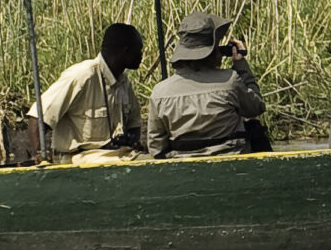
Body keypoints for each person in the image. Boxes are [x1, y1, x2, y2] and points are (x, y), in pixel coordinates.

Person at [147, 11, 269, 157]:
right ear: (213, 50)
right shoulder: (230, 81)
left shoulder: (160, 92)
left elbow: (156, 147)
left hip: (183, 171)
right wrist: (240, 64)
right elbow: (256, 107)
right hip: (234, 167)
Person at [26, 22, 145, 160]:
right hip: (80, 157)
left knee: (152, 161)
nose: (141, 55)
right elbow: (37, 116)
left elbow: (134, 123)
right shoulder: (82, 76)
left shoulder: (123, 82)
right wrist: (40, 153)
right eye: (139, 49)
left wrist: (133, 141)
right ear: (126, 50)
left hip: (117, 153)